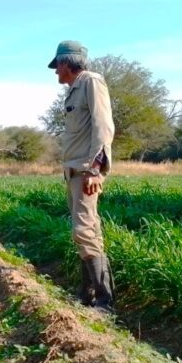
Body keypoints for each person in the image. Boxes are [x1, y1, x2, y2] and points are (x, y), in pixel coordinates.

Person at [48, 40, 116, 312]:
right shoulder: (74, 89)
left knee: (84, 230)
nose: (56, 71)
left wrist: (95, 169)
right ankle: (87, 294)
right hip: (74, 173)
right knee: (85, 232)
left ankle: (104, 301)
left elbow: (103, 126)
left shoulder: (91, 82)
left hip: (86, 172)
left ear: (67, 63)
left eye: (57, 66)